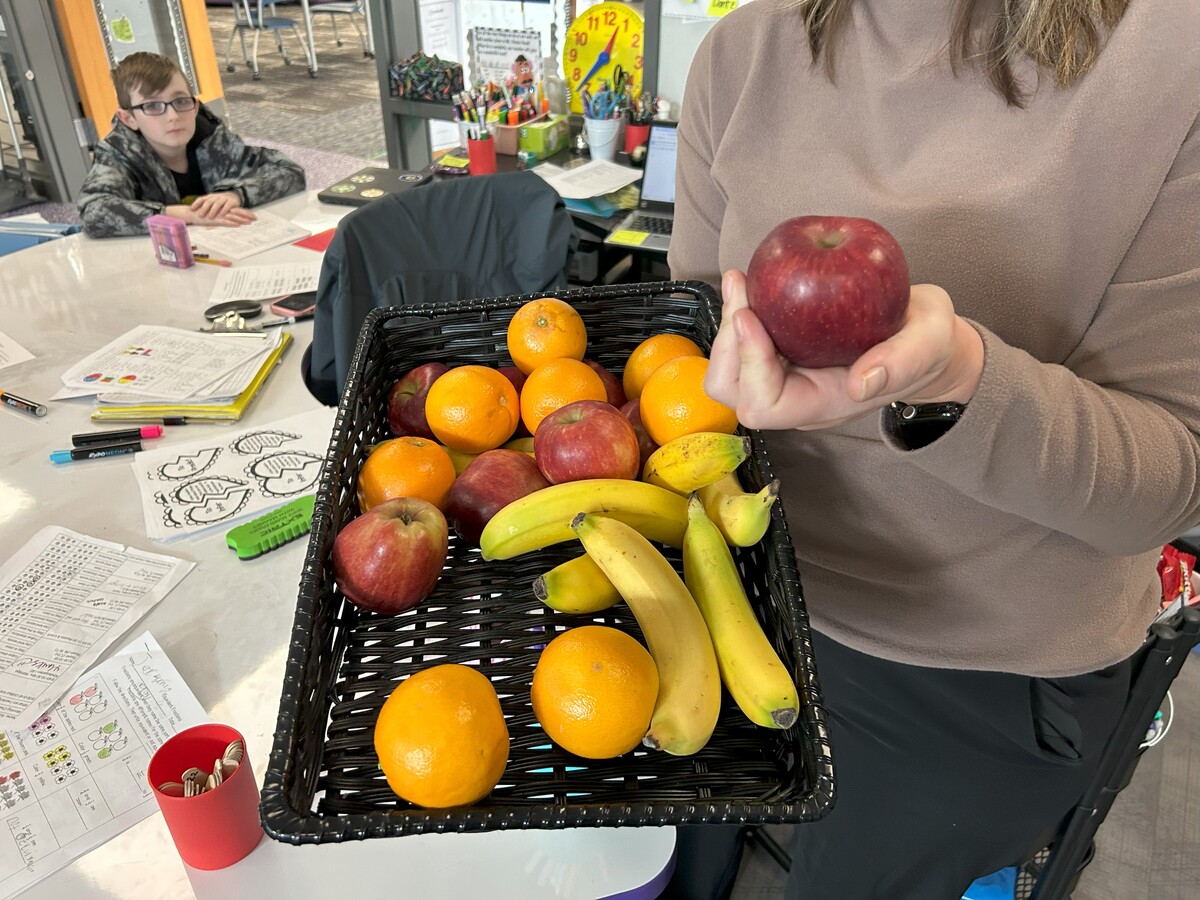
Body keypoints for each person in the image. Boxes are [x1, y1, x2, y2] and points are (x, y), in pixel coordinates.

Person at [666, 0, 1199, 897]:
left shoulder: (1172, 62)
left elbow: (1176, 480)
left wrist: (957, 380)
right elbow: (689, 341)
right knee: (675, 854)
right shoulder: (740, 53)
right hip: (742, 584)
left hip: (978, 666)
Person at [77, 52, 305, 238]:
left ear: (195, 106)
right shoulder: (119, 154)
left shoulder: (213, 140)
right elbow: (93, 212)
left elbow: (289, 171)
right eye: (153, 106)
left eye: (180, 101)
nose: (173, 116)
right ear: (129, 119)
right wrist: (184, 214)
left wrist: (235, 194)